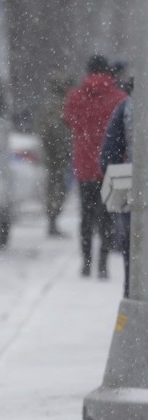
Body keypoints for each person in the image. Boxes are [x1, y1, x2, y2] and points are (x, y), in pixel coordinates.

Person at [63, 54, 126, 279]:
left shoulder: (75, 96)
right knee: (108, 217)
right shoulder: (118, 97)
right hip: (111, 166)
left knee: (86, 217)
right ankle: (103, 265)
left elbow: (68, 119)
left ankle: (86, 263)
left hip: (84, 165)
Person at [100, 89, 133, 297]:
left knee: (134, 268)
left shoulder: (128, 107)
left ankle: (134, 319)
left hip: (136, 197)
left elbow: (107, 159)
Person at [38, 74, 73, 238]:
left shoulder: (52, 105)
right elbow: (56, 131)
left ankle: (52, 219)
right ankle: (53, 219)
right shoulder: (59, 105)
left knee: (55, 186)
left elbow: (45, 130)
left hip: (55, 154)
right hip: (58, 154)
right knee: (57, 188)